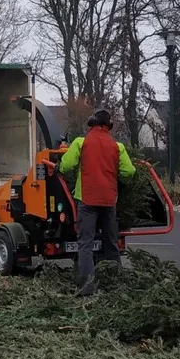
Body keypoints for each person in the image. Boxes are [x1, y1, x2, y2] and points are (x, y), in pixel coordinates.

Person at [57, 109, 136, 295]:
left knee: (85, 244)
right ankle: (116, 285)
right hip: (109, 201)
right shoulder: (118, 146)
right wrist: (119, 181)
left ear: (91, 123)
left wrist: (60, 168)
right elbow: (129, 172)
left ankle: (87, 288)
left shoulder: (80, 142)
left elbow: (66, 166)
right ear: (109, 126)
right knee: (111, 243)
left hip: (87, 200)